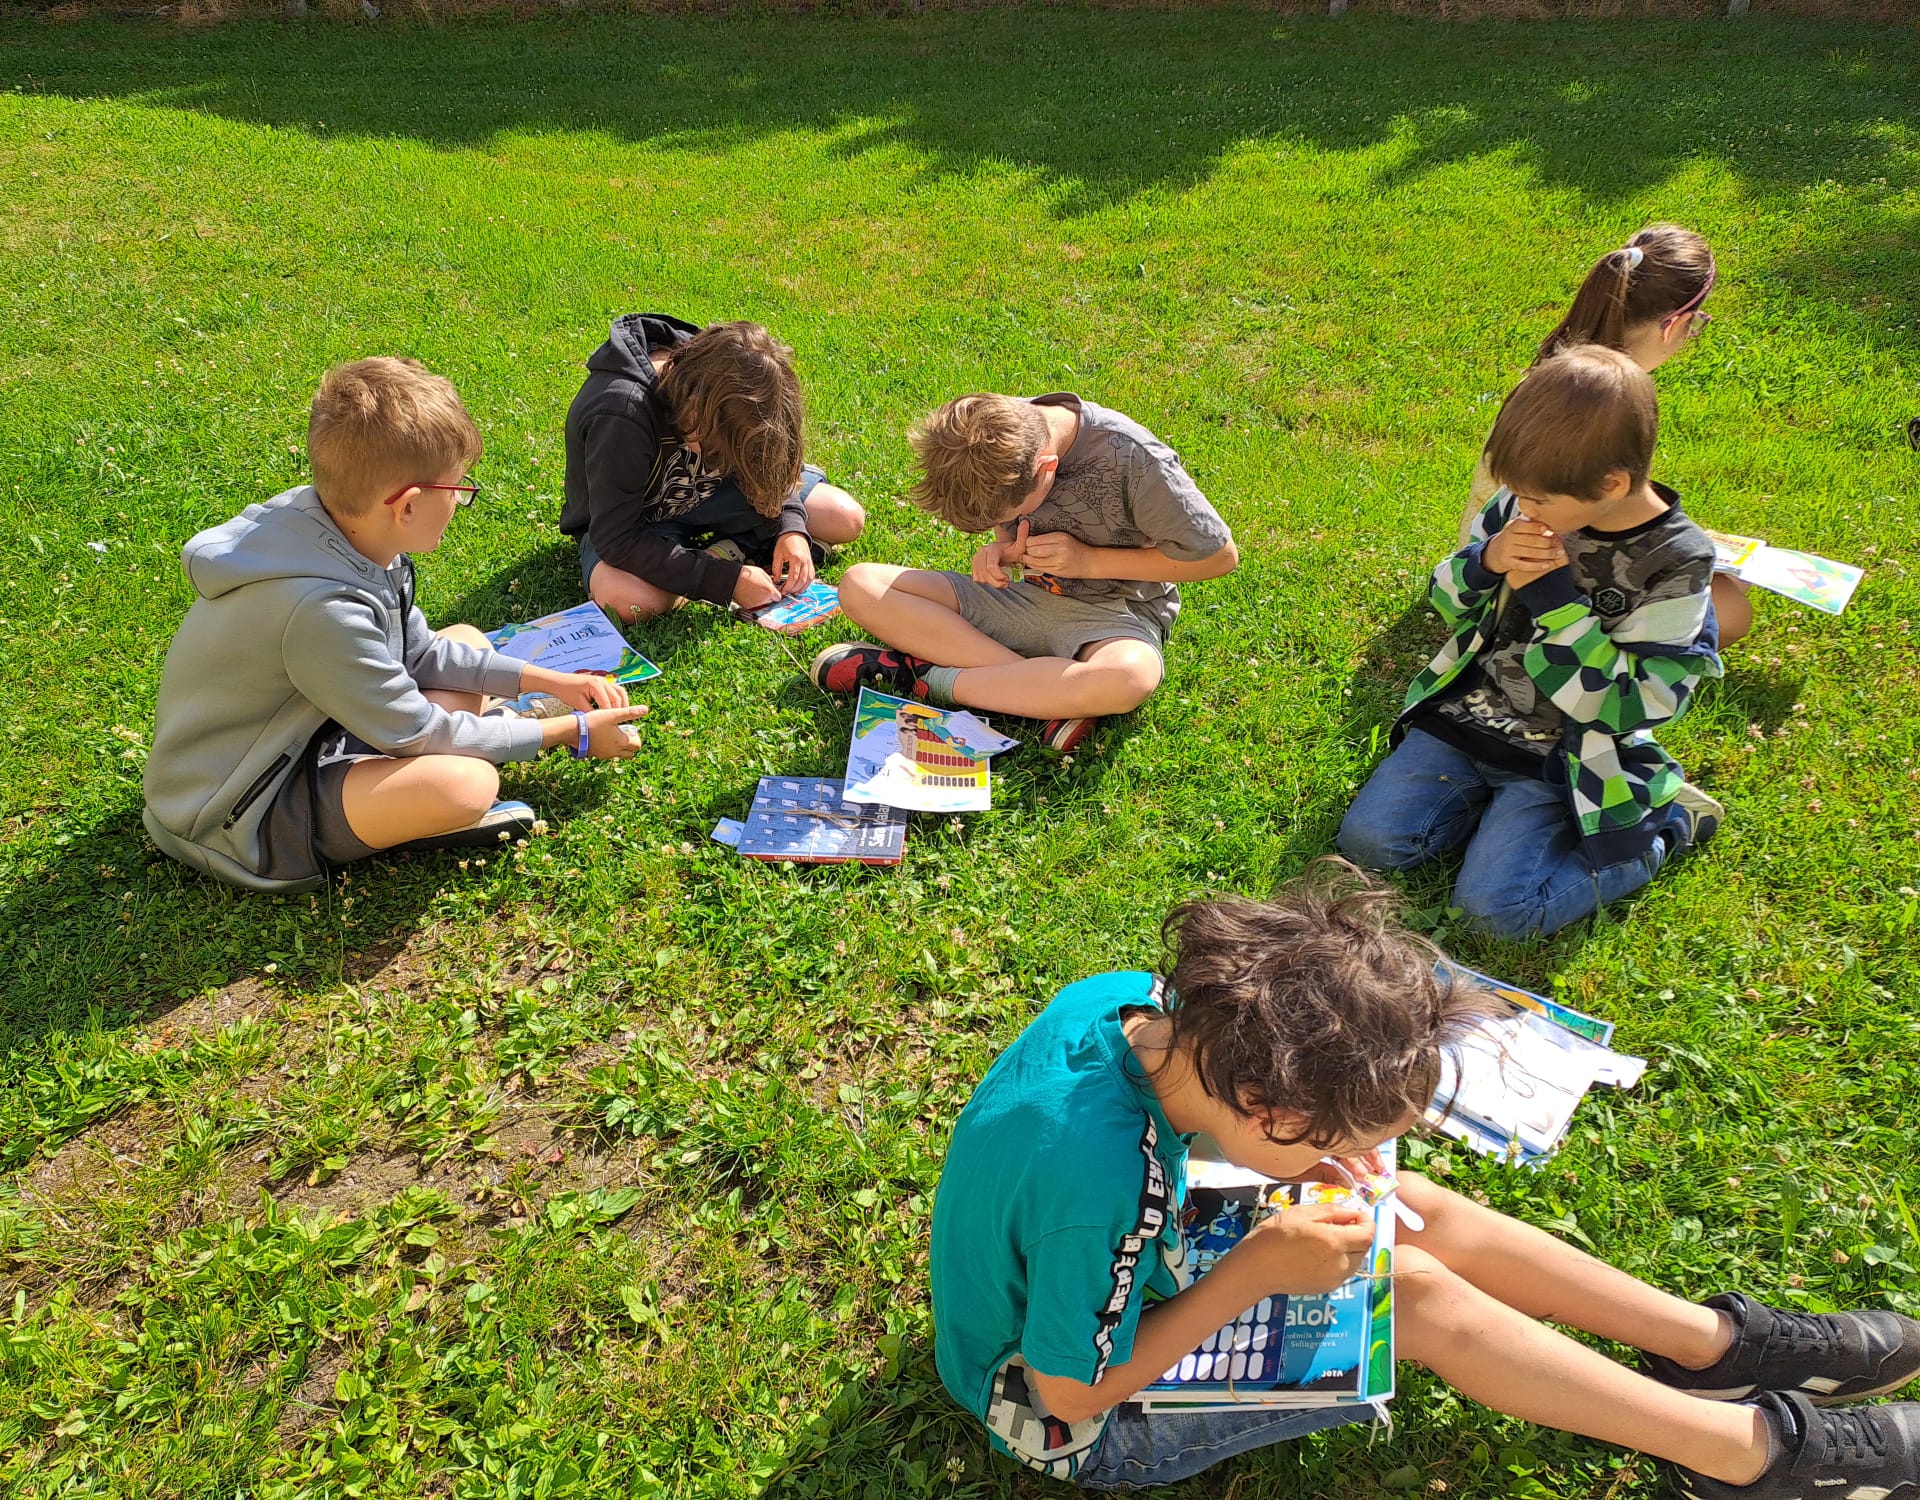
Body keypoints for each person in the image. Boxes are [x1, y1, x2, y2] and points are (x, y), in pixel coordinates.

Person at [929, 860, 1920, 1494]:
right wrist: (1253, 1273)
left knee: (1398, 1207)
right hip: (1057, 1408)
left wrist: (1317, 1163)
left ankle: (1710, 1346)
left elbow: (1145, 1160)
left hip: (1098, 1269)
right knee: (1411, 1295)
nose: (1332, 1157)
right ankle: (1747, 1456)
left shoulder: (1131, 1006)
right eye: (1324, 1137)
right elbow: (1070, 1393)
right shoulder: (1099, 1196)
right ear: (1269, 1110)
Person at [146, 357, 647, 894]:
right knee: (467, 785)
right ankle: (421, 812)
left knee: (464, 640)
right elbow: (417, 733)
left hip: (311, 730)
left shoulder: (346, 532)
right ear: (407, 506)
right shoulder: (321, 610)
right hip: (242, 811)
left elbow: (422, 653)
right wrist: (571, 733)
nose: (460, 501)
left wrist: (549, 680)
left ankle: (433, 774)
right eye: (458, 490)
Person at [1337, 345, 1724, 940]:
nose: (1524, 508)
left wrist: (1558, 607)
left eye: (1538, 499)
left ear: (1612, 483)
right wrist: (1486, 561)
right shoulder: (1525, 498)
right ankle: (1487, 819)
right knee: (1370, 846)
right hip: (1467, 719)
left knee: (1496, 916)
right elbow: (1448, 601)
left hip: (1567, 755)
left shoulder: (1677, 560)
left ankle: (1665, 826)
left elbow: (1640, 702)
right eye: (1516, 493)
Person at [812, 392, 1236, 753]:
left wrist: (1089, 562)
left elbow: (1218, 557)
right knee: (861, 584)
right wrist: (1002, 551)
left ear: (1046, 469)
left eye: (1010, 514)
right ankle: (1041, 694)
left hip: (1114, 616)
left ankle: (925, 677)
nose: (1006, 522)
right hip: (1024, 600)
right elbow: (1009, 528)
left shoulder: (1133, 457)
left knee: (1128, 677)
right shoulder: (985, 429)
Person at [1465, 224, 1750, 648]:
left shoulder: (1570, 378)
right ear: (1674, 325)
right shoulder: (1607, 401)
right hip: (1530, 566)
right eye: (1697, 323)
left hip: (1500, 550)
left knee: (1716, 579)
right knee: (1731, 609)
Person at [560, 315, 865, 623]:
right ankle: (727, 554)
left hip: (714, 500)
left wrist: (790, 527)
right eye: (719, 450)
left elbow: (766, 464)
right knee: (629, 602)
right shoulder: (622, 412)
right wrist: (726, 581)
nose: (719, 462)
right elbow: (617, 538)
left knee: (844, 517)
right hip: (639, 525)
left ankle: (725, 550)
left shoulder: (730, 379)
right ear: (694, 408)